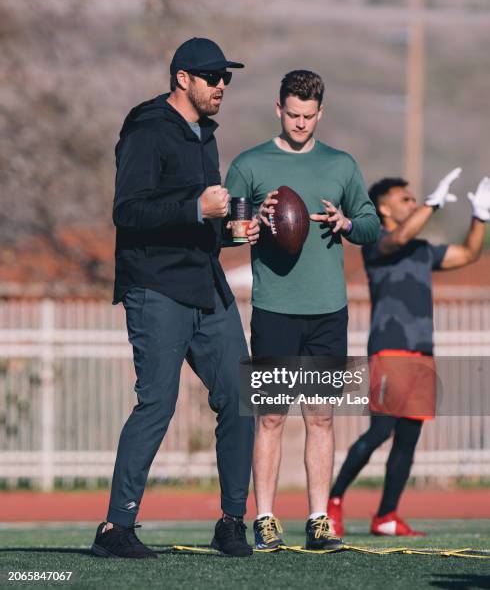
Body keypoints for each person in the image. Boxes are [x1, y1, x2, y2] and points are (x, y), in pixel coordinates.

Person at [91, 37, 260, 559]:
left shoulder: (204, 136)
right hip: (156, 286)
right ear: (182, 79)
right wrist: (194, 207)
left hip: (203, 281)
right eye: (212, 77)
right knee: (156, 404)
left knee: (241, 395)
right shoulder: (146, 127)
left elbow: (205, 221)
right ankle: (115, 530)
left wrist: (234, 233)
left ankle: (232, 522)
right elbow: (129, 212)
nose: (221, 86)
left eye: (226, 78)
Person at [225, 70, 380, 550]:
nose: (300, 123)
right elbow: (229, 231)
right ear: (278, 109)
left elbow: (372, 226)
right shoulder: (249, 164)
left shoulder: (341, 164)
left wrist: (347, 220)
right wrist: (251, 225)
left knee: (321, 417)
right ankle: (266, 518)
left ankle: (318, 519)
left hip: (328, 310)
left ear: (321, 113)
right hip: (274, 308)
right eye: (292, 114)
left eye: (309, 116)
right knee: (270, 417)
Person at [328, 171, 490, 536]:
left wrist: (480, 216)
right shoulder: (377, 242)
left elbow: (467, 253)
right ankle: (333, 501)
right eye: (406, 199)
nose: (413, 203)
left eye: (415, 200)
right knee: (381, 430)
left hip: (422, 352)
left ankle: (386, 515)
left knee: (409, 436)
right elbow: (400, 236)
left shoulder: (421, 249)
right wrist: (432, 204)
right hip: (390, 348)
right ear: (383, 207)